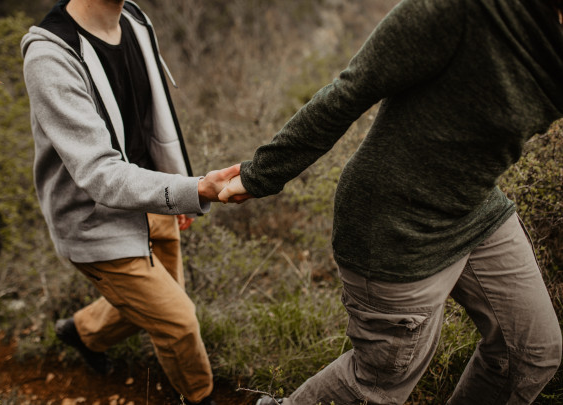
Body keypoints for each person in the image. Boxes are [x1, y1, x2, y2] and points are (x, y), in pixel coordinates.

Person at [219, 0, 563, 404]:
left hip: (475, 207)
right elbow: (349, 91)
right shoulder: (461, 11)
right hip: (395, 223)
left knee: (531, 353)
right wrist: (260, 175)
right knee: (380, 383)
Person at [21, 1, 235, 404]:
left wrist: (177, 195)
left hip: (154, 198)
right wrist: (193, 189)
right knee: (178, 321)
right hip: (96, 221)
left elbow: (153, 120)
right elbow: (100, 175)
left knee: (157, 300)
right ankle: (199, 398)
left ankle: (82, 333)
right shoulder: (50, 55)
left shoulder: (135, 21)